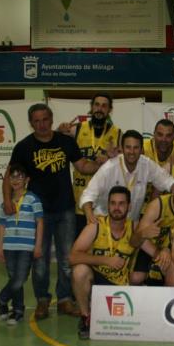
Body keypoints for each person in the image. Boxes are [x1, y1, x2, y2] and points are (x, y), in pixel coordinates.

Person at [3, 103, 102, 320]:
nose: (41, 124)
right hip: (37, 213)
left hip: (66, 208)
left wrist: (103, 161)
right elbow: (9, 174)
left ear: (51, 118)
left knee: (68, 258)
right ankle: (42, 300)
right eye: (36, 121)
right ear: (31, 123)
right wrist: (7, 200)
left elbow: (83, 166)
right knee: (40, 260)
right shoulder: (23, 147)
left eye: (45, 119)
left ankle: (65, 299)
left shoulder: (65, 141)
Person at [69, 186, 149, 339]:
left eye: (121, 203)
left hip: (122, 285)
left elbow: (155, 253)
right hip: (98, 280)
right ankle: (86, 317)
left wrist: (163, 252)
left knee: (139, 276)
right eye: (113, 203)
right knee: (79, 271)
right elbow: (72, 257)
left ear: (129, 206)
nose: (116, 208)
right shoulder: (95, 225)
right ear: (107, 205)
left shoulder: (135, 228)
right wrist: (105, 260)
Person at [57, 92, 121, 237]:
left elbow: (123, 165)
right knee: (77, 246)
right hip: (79, 201)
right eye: (97, 105)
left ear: (110, 110)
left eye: (104, 106)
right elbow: (53, 143)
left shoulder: (118, 133)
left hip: (104, 204)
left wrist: (112, 161)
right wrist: (59, 130)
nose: (100, 109)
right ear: (91, 107)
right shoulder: (77, 129)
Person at [79, 130, 174, 222]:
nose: (132, 152)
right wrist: (90, 217)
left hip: (131, 226)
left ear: (142, 149)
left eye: (136, 147)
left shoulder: (146, 165)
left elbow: (168, 182)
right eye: (128, 147)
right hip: (105, 222)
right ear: (122, 148)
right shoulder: (109, 168)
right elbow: (88, 195)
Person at [0, 163, 43, 325]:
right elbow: (2, 225)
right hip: (9, 247)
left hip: (26, 248)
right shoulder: (6, 203)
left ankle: (2, 298)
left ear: (27, 180)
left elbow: (40, 223)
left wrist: (38, 246)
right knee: (13, 278)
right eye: (12, 177)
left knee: (20, 278)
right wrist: (0, 247)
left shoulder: (33, 199)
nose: (15, 180)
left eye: (20, 176)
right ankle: (17, 311)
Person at [134, 173, 174, 286]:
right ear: (173, 190)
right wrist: (159, 253)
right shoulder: (157, 206)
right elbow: (138, 240)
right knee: (136, 278)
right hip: (153, 247)